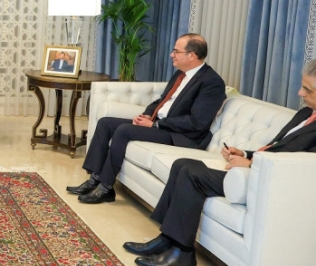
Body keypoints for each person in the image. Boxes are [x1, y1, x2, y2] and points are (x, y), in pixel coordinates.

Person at [123, 59, 316, 266]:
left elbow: (299, 169)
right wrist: (244, 153)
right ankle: (166, 239)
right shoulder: (305, 114)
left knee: (191, 173)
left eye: (307, 89)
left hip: (267, 183)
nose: (300, 93)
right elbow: (276, 149)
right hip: (256, 169)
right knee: (182, 164)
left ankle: (183, 254)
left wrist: (251, 165)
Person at [67, 33, 226, 203]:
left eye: (176, 51)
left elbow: (196, 122)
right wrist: (148, 114)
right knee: (106, 123)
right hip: (161, 124)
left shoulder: (211, 82)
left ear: (191, 55)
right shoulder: (181, 74)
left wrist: (156, 125)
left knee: (124, 131)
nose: (172, 55)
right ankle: (94, 179)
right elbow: (162, 101)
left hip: (181, 135)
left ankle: (105, 187)